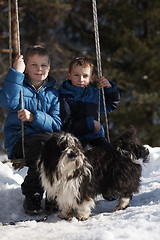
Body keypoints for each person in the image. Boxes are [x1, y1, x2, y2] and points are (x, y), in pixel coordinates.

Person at [0, 45, 61, 215]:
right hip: (20, 138)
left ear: (48, 69)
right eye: (34, 65)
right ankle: (33, 194)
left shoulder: (53, 94)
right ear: (25, 67)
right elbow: (8, 101)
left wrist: (34, 117)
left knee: (58, 149)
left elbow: (56, 124)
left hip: (46, 138)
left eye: (43, 65)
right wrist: (15, 73)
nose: (39, 69)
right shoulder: (18, 86)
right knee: (41, 150)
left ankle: (53, 193)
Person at [59, 56, 120, 150]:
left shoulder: (95, 94)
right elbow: (67, 125)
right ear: (69, 75)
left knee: (111, 154)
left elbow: (111, 105)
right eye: (76, 75)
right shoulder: (65, 97)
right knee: (88, 155)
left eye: (85, 76)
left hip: (96, 137)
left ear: (92, 78)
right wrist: (90, 124)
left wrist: (109, 88)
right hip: (76, 139)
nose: (81, 79)